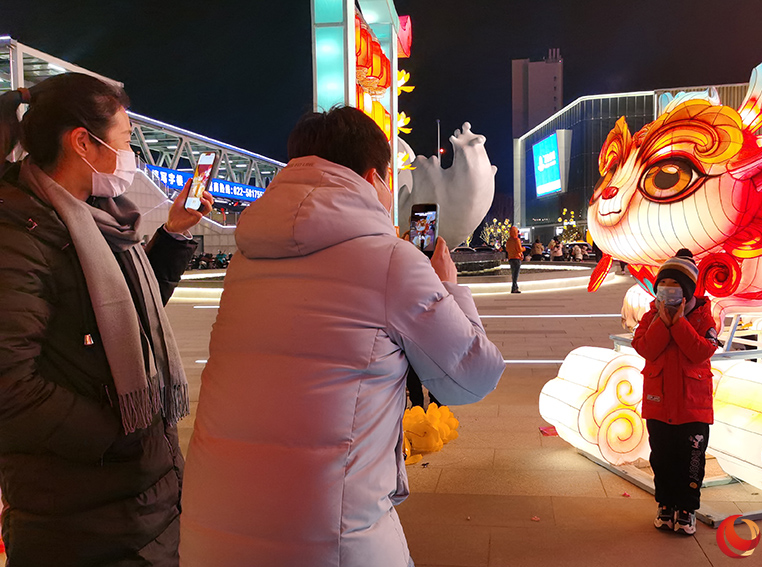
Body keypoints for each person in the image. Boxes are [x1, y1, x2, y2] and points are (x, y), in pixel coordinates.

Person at [180, 107, 505, 567]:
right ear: (373, 177)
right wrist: (448, 286)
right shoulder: (393, 260)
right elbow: (473, 377)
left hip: (210, 532)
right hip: (333, 541)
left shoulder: (246, 261)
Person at [0, 74, 210, 565]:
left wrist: (175, 237)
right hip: (79, 518)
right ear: (83, 143)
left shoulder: (103, 217)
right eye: (123, 139)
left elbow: (131, 313)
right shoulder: (21, 237)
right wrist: (118, 433)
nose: (129, 153)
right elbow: (7, 388)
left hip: (135, 500)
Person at [632, 249, 717, 536]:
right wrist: (661, 321)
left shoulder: (704, 317)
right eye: (663, 288)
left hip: (693, 408)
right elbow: (645, 348)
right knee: (662, 459)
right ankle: (665, 505)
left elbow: (700, 352)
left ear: (688, 290)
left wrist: (678, 322)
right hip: (659, 405)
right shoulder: (649, 317)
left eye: (675, 288)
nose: (668, 294)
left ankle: (687, 510)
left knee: (692, 462)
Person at [505, 225, 524, 293]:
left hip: (511, 258)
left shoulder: (508, 240)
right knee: (516, 274)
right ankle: (514, 287)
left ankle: (514, 287)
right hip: (517, 258)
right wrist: (523, 249)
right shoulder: (517, 240)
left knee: (513, 273)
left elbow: (507, 249)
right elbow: (519, 249)